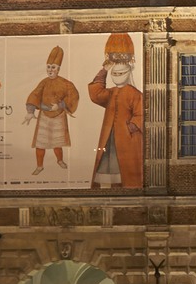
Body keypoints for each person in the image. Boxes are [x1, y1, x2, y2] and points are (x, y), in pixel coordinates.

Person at [89, 33, 145, 189]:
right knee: (107, 169)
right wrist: (104, 70)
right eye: (115, 74)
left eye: (120, 73)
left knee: (125, 172)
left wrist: (131, 127)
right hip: (109, 137)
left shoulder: (135, 93)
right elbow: (96, 95)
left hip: (127, 140)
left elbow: (142, 114)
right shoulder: (111, 92)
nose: (117, 76)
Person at [24, 46, 80, 174]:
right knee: (40, 143)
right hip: (44, 115)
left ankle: (59, 160)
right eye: (48, 67)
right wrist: (30, 111)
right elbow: (35, 94)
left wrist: (60, 105)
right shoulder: (44, 82)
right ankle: (39, 166)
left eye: (53, 67)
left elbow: (74, 96)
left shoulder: (66, 83)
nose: (50, 70)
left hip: (59, 115)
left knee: (57, 142)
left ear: (58, 69)